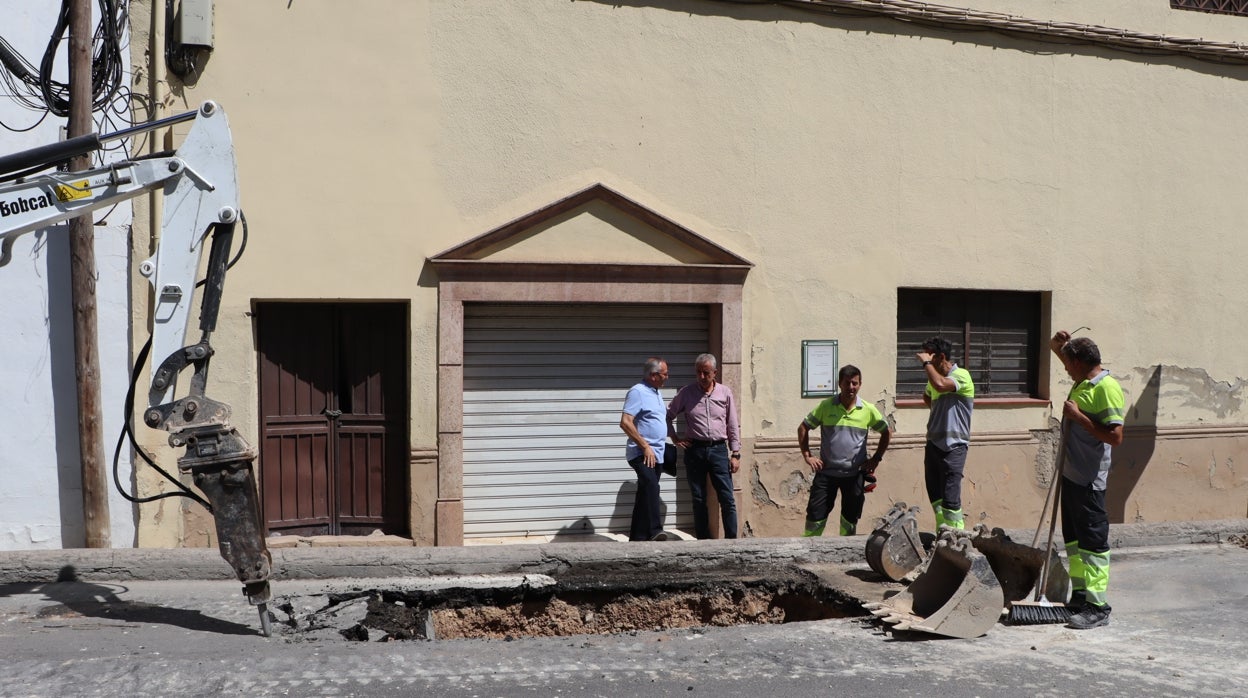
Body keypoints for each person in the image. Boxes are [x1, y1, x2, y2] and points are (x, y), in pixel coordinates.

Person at [1050, 330, 1125, 630]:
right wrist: (1058, 347)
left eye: (1068, 363)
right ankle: (1080, 595)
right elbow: (1071, 363)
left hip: (1089, 480)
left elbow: (1116, 437)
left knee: (1093, 544)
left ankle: (1098, 606)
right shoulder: (1083, 382)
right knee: (1075, 542)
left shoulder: (1106, 388)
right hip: (1071, 475)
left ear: (1080, 363)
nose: (1065, 369)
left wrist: (1079, 417)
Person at [797, 365, 892, 536]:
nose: (851, 387)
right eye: (847, 383)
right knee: (815, 518)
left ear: (860, 384)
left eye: (855, 383)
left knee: (849, 520)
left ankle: (844, 554)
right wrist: (807, 456)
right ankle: (808, 552)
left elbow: (886, 432)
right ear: (839, 383)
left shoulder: (868, 410)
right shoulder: (826, 406)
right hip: (826, 474)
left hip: (854, 475)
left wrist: (876, 458)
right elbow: (803, 427)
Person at [666, 353, 741, 539]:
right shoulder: (686, 393)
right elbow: (667, 416)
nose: (701, 377)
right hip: (695, 451)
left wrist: (736, 453)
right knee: (698, 498)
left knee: (727, 498)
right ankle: (703, 540)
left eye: (706, 373)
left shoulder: (725, 393)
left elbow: (732, 423)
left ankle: (732, 541)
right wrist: (675, 438)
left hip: (718, 450)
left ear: (715, 372)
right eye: (698, 372)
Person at [915, 336, 974, 531]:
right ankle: (942, 534)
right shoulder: (934, 379)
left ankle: (957, 536)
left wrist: (925, 363)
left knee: (950, 498)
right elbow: (927, 395)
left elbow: (941, 385)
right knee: (936, 496)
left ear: (941, 357)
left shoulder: (961, 375)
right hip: (934, 444)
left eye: (929, 357)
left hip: (954, 446)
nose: (926, 361)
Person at [620, 357, 671, 541]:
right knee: (651, 486)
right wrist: (645, 446)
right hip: (641, 454)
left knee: (644, 495)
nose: (668, 377)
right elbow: (625, 422)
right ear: (653, 375)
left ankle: (637, 538)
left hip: (657, 454)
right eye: (665, 374)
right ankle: (655, 530)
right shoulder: (638, 392)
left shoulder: (656, 392)